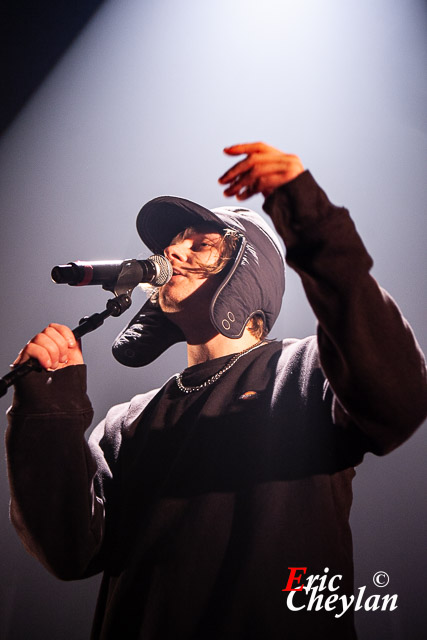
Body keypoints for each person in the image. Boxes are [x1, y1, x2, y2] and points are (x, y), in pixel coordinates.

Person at [6, 142, 427, 640]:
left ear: (244, 274)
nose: (171, 253)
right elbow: (69, 550)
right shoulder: (128, 423)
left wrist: (309, 219)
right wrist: (48, 409)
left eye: (199, 244)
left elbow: (398, 398)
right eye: (171, 244)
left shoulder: (306, 371)